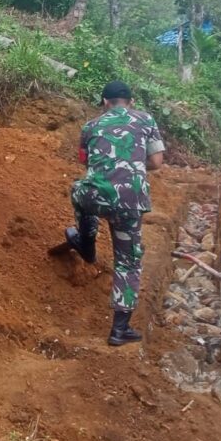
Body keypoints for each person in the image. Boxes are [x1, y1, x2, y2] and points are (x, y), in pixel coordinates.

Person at [63, 80, 165, 346]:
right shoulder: (146, 120)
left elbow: (85, 161)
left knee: (79, 191)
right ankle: (119, 330)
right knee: (127, 262)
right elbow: (157, 162)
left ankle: (86, 244)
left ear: (105, 102)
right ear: (131, 102)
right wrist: (131, 163)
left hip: (96, 195)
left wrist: (110, 163)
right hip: (129, 202)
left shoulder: (91, 126)